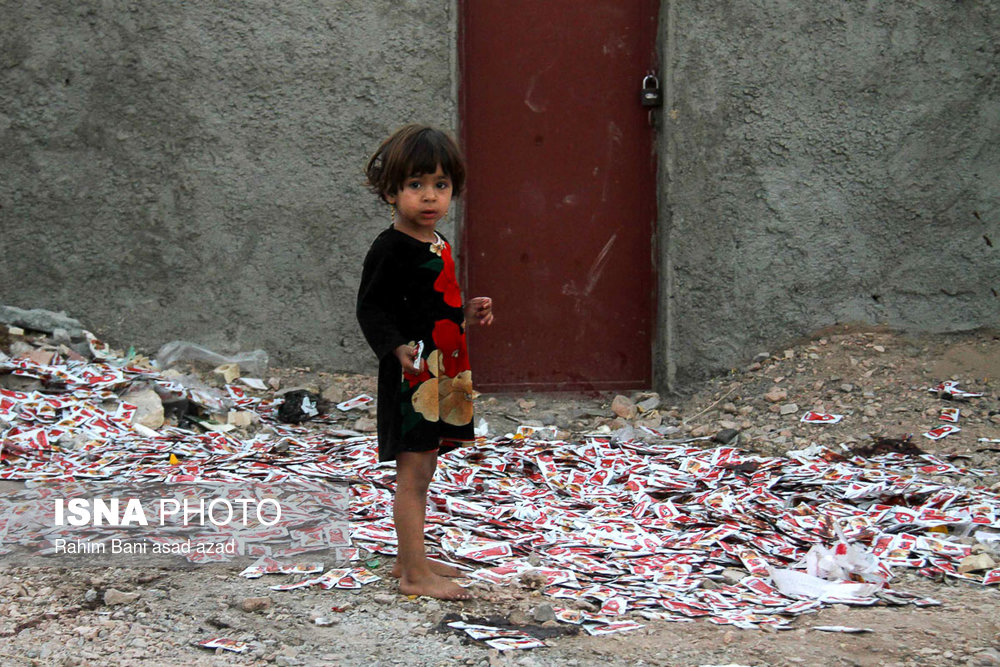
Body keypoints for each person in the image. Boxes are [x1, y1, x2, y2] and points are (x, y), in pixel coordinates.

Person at [356, 124, 493, 600]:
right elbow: (371, 308)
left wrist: (464, 315)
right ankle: (414, 575)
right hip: (413, 377)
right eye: (416, 185)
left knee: (427, 467)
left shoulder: (436, 244)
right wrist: (394, 347)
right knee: (412, 475)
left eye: (441, 185)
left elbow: (429, 305)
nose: (429, 196)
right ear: (392, 191)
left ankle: (408, 557)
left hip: (444, 372)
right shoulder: (390, 248)